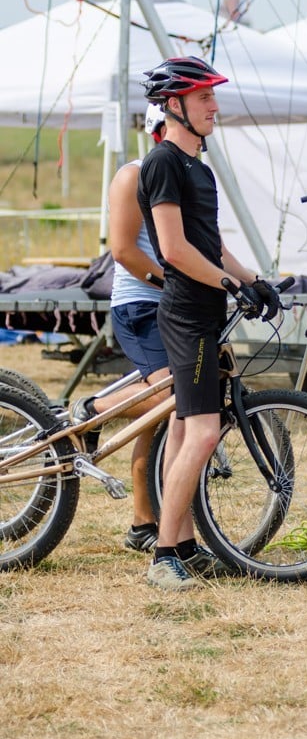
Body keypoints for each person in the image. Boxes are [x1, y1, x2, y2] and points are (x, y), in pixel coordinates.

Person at [137, 55, 281, 591]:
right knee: (201, 433)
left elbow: (211, 245)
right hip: (187, 312)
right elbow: (173, 250)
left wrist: (252, 279)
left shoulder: (199, 166)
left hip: (208, 309)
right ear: (175, 105)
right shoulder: (164, 164)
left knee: (184, 429)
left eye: (212, 97)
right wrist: (227, 284)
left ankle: (186, 546)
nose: (214, 106)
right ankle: (163, 555)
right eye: (204, 98)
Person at [72, 105, 213, 564]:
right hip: (140, 303)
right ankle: (91, 409)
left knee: (168, 413)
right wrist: (171, 282)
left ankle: (142, 523)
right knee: (172, 398)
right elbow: (124, 252)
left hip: (175, 300)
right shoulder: (134, 175)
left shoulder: (187, 174)